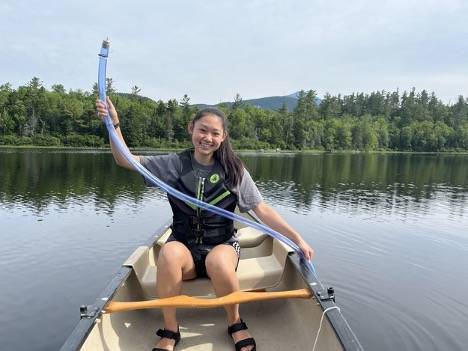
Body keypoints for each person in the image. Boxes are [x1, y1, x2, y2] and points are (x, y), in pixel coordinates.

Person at [96, 98, 314, 351]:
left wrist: (297, 238)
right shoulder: (173, 165)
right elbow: (126, 160)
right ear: (191, 128)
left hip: (221, 245)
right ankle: (170, 330)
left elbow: (261, 209)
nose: (207, 138)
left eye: (214, 133)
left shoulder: (234, 170)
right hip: (184, 248)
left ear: (223, 137)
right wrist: (113, 123)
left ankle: (235, 323)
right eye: (202, 130)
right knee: (168, 252)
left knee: (218, 261)